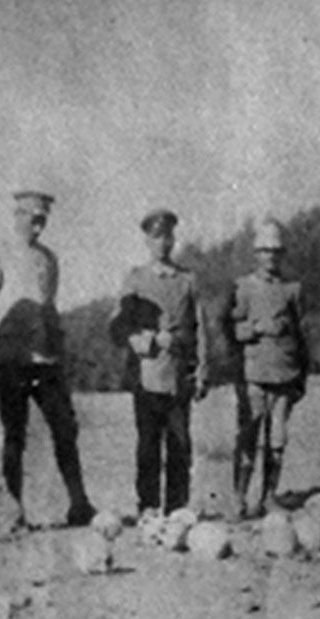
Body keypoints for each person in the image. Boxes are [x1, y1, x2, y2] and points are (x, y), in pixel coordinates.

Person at [0, 186, 98, 529]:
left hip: (47, 361)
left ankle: (79, 504)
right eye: (34, 220)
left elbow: (48, 309)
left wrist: (58, 350)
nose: (39, 228)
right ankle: (13, 512)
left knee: (65, 428)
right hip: (11, 362)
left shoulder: (48, 259)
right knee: (15, 435)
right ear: (18, 215)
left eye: (44, 221)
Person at [109, 208, 206, 518]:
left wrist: (203, 368)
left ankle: (177, 507)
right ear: (147, 241)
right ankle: (148, 506)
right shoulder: (135, 279)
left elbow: (201, 327)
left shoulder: (188, 280)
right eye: (156, 237)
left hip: (179, 375)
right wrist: (147, 340)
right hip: (148, 374)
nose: (163, 243)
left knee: (180, 444)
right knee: (148, 445)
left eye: (168, 236)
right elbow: (117, 326)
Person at [230, 219, 309, 517]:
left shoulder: (292, 289)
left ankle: (268, 497)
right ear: (256, 254)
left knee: (277, 441)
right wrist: (257, 328)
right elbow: (231, 330)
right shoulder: (243, 288)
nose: (271, 257)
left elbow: (301, 335)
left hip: (285, 374)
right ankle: (238, 498)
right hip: (254, 376)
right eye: (265, 251)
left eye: (276, 251)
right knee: (248, 438)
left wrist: (303, 376)